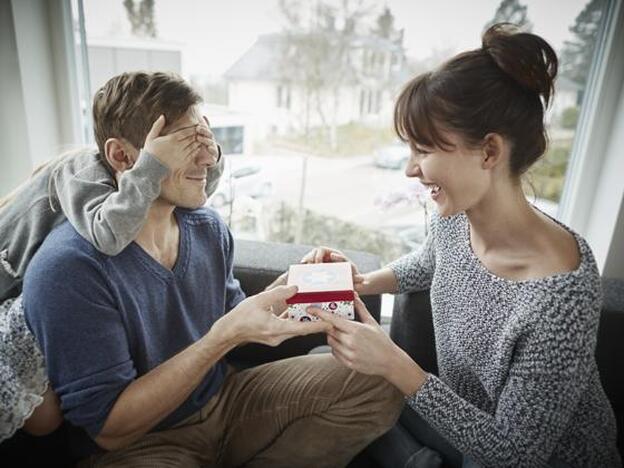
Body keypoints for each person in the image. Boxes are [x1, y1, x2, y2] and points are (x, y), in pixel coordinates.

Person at [23, 71, 403, 467]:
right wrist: (218, 340)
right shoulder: (68, 270)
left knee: (379, 378)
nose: (208, 159)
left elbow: (234, 320)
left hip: (227, 400)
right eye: (187, 145)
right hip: (140, 446)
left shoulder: (204, 227)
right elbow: (110, 428)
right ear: (123, 156)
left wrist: (295, 286)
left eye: (207, 141)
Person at [300, 24, 621, 467]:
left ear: (489, 152)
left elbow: (516, 454)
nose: (411, 169)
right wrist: (362, 280)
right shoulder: (455, 217)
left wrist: (395, 364)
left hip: (532, 458)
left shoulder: (561, 295)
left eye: (423, 150)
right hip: (463, 419)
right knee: (328, 370)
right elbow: (431, 261)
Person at [0, 71, 223, 442]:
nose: (199, 157)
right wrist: (152, 163)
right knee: (44, 419)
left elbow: (200, 184)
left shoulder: (170, 198)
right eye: (182, 144)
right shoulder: (82, 175)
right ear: (121, 155)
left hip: (39, 285)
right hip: (11, 285)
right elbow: (108, 235)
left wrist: (207, 145)